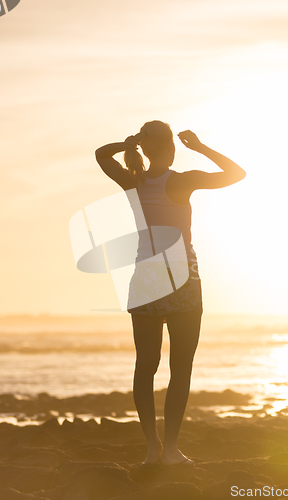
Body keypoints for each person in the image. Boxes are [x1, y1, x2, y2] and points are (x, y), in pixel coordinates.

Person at [95, 120, 245, 465]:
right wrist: (202, 148)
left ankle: (152, 449)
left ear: (146, 148)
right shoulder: (181, 180)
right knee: (181, 368)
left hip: (146, 281)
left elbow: (102, 155)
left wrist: (127, 144)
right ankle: (172, 450)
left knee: (145, 366)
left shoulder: (133, 180)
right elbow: (237, 174)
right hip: (182, 281)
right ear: (171, 148)